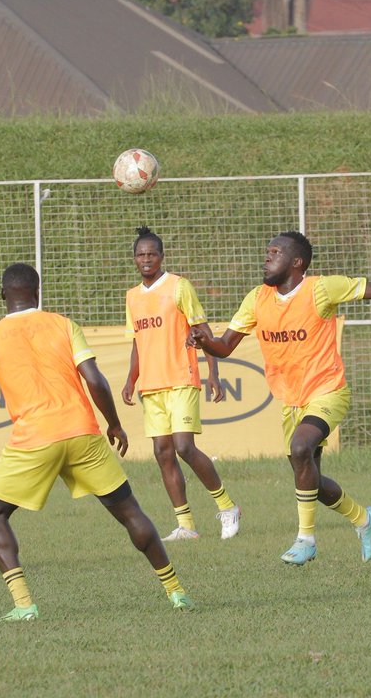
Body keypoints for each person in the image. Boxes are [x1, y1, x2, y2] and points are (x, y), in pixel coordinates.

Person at [189, 231, 371, 565]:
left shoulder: (321, 289)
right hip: (291, 400)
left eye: (275, 252)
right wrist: (204, 343)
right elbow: (224, 346)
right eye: (267, 252)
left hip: (328, 390)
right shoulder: (257, 298)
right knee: (311, 480)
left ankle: (305, 540)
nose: (267, 258)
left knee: (300, 449)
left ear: (297, 262)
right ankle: (364, 519)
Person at [0, 263, 191, 620]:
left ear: (2, 296)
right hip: (81, 432)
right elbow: (96, 380)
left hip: (34, 440)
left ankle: (24, 604)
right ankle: (177, 593)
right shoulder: (63, 324)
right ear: (38, 292)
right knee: (130, 512)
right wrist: (115, 425)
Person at [122, 226, 241, 542]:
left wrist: (213, 373)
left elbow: (203, 332)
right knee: (162, 451)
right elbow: (137, 342)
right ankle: (186, 525)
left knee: (184, 446)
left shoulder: (178, 287)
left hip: (181, 378)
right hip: (151, 385)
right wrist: (130, 380)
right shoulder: (132, 297)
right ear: (134, 259)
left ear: (161, 257)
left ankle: (227, 507)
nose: (146, 259)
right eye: (140, 254)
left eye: (151, 253)